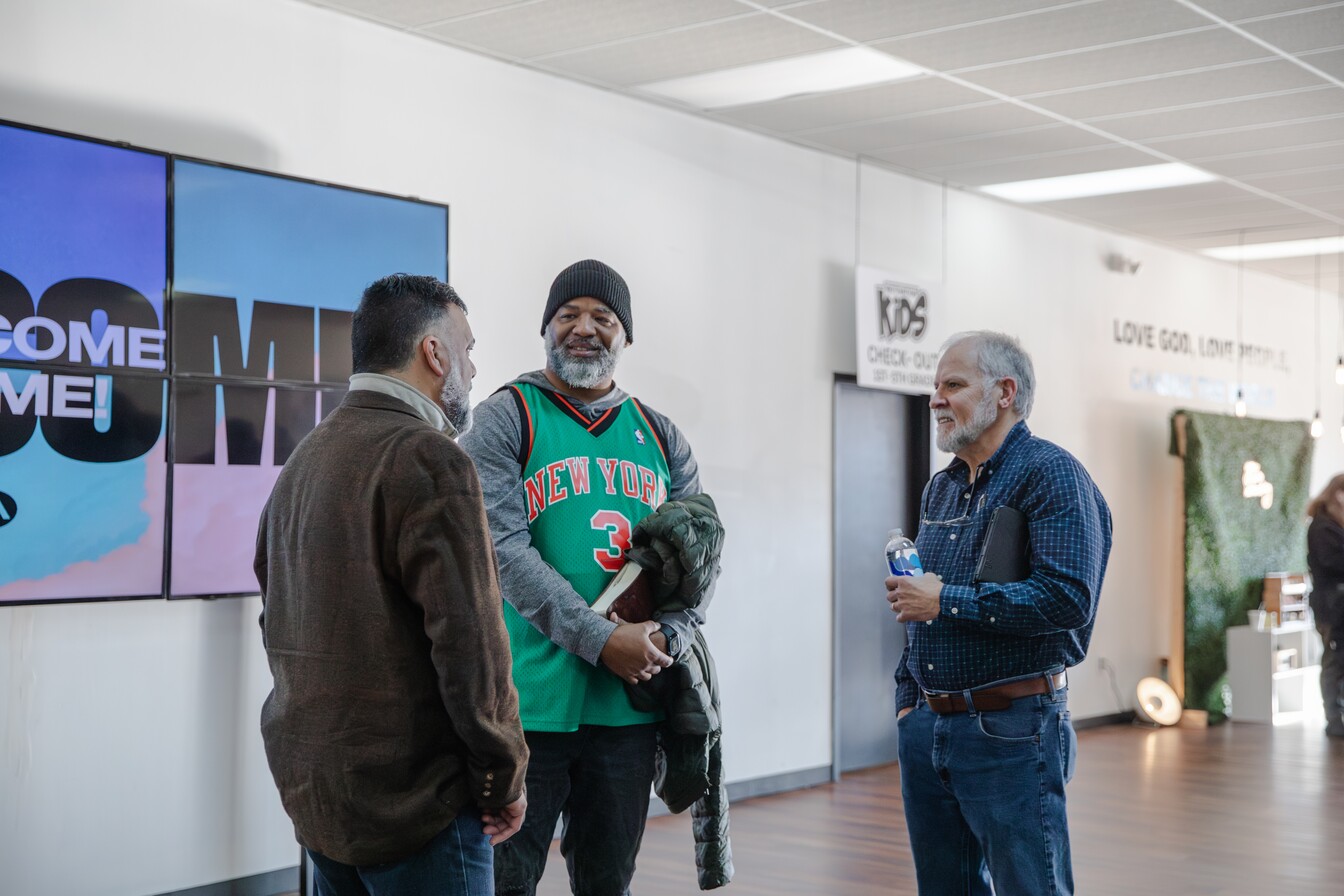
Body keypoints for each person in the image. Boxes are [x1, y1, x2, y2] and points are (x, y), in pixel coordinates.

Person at [254, 274, 528, 896]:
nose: (474, 368)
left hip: (321, 800)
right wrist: (501, 780)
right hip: (419, 810)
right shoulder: (430, 458)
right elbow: (474, 651)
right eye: (468, 349)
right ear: (434, 354)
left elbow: (277, 622)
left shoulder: (306, 457)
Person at [461, 259, 713, 896]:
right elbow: (503, 555)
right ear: (544, 328)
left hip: (627, 711)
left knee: (608, 882)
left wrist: (668, 639)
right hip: (526, 707)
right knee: (504, 882)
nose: (585, 329)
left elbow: (698, 561)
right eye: (568, 315)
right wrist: (604, 641)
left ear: (625, 336)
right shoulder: (507, 417)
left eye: (603, 317)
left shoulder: (661, 435)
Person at [885, 331, 1112, 896]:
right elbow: (920, 605)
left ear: (1004, 392)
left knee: (1031, 887)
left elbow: (1067, 600)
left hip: (1011, 728)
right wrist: (907, 703)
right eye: (934, 387)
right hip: (928, 725)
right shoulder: (941, 488)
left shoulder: (1051, 474)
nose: (936, 399)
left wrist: (947, 600)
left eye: (953, 385)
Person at [1306, 474, 1344, 737]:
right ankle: (1334, 720)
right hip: (1332, 609)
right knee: (1334, 662)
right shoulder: (1322, 528)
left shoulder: (1333, 526)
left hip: (1337, 606)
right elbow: (1334, 564)